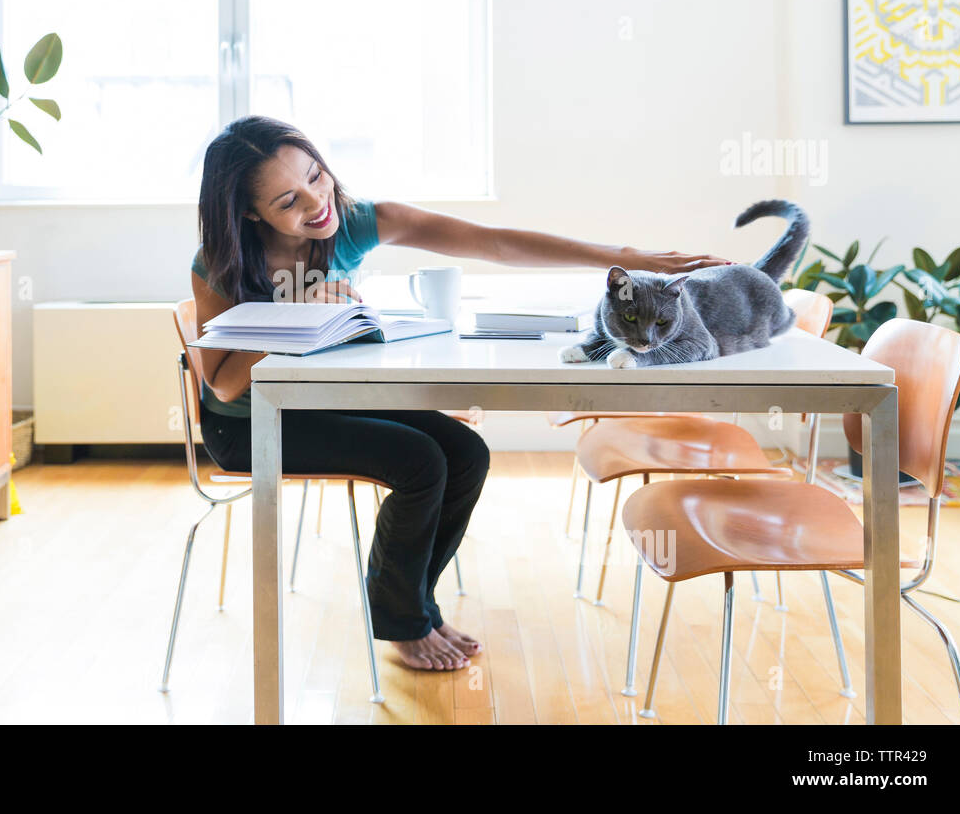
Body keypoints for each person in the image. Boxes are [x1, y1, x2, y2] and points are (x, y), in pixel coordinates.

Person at [191, 115, 730, 671]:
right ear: (252, 213)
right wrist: (296, 309)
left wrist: (630, 259)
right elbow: (223, 380)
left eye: (316, 176)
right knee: (419, 460)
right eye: (288, 201)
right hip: (247, 425)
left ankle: (415, 607)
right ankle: (403, 623)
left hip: (317, 399)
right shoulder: (219, 263)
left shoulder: (354, 223)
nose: (316, 202)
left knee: (467, 454)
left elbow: (491, 242)